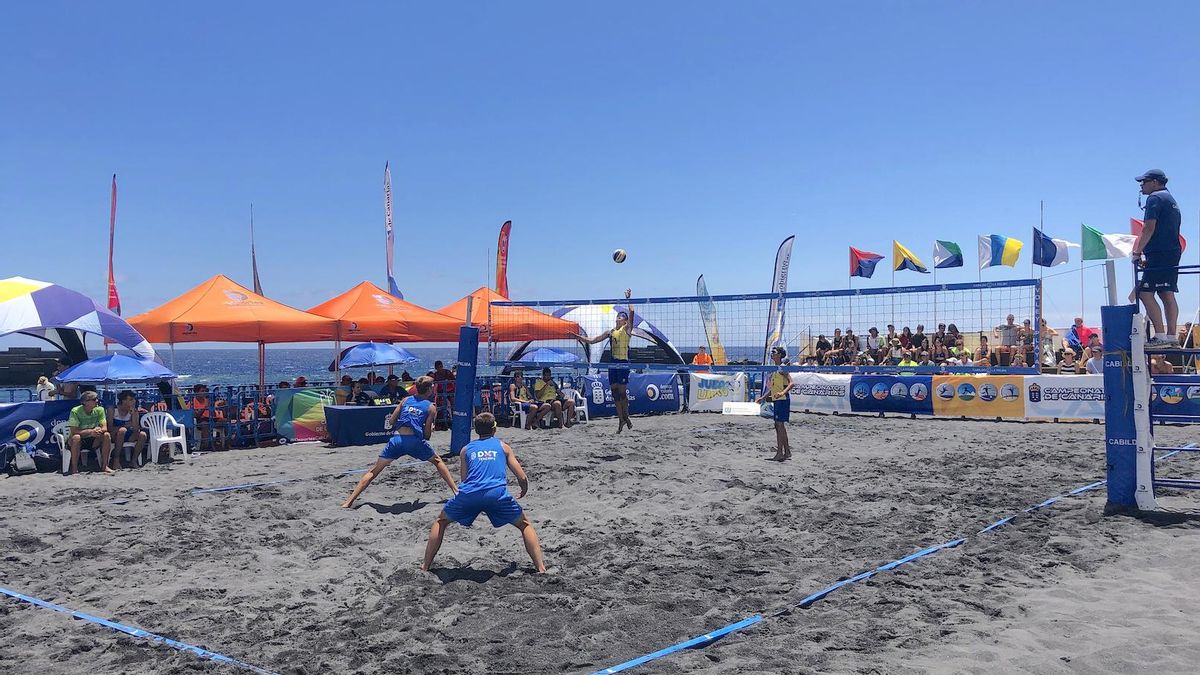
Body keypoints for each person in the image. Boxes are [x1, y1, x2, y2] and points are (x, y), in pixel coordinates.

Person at [421, 412, 546, 573]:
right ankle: (540, 568)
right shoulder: (503, 446)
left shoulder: (466, 450)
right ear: (494, 429)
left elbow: (464, 479)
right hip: (496, 494)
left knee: (441, 522)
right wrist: (524, 489)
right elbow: (521, 476)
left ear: (476, 430)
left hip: (470, 493)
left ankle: (425, 566)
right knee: (524, 525)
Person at [341, 376, 457, 509]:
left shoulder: (405, 400)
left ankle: (348, 502)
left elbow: (391, 421)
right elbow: (427, 435)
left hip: (397, 440)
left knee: (374, 471)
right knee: (437, 461)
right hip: (414, 441)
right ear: (429, 390)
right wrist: (428, 428)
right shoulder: (430, 407)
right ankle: (455, 491)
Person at [1132, 169, 1183, 345]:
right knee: (1166, 292)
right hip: (1171, 252)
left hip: (1160, 253)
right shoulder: (1170, 199)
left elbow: (1148, 227)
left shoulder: (1154, 199)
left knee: (1145, 293)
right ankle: (1171, 337)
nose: (1141, 185)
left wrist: (1138, 252)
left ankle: (1160, 335)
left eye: (1144, 182)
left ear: (1155, 182)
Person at [572, 289, 635, 432]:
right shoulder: (610, 331)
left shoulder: (627, 329)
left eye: (621, 317)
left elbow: (632, 312)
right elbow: (593, 340)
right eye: (618, 316)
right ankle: (621, 420)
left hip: (623, 363)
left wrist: (629, 299)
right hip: (613, 363)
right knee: (614, 393)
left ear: (624, 321)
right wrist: (579, 337)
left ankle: (626, 416)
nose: (618, 317)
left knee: (622, 393)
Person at [754, 346, 792, 462]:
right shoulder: (774, 369)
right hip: (777, 400)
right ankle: (787, 451)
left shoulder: (782, 368)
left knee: (779, 425)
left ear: (779, 355)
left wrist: (782, 393)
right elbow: (773, 388)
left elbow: (792, 383)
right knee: (778, 426)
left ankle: (780, 452)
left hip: (783, 399)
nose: (772, 354)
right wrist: (763, 397)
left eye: (774, 352)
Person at [67, 391, 112, 475]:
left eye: (97, 398)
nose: (97, 401)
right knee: (76, 437)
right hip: (80, 440)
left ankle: (105, 466)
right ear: (84, 402)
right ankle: (74, 469)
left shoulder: (100, 409)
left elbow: (105, 428)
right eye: (94, 399)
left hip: (94, 439)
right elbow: (74, 431)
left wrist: (98, 430)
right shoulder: (75, 411)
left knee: (107, 435)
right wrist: (91, 431)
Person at [107, 390, 148, 468]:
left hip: (128, 434)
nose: (134, 401)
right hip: (114, 434)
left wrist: (134, 415)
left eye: (134, 399)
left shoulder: (133, 411)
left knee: (143, 435)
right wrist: (125, 425)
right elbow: (110, 428)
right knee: (122, 431)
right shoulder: (112, 410)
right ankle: (116, 460)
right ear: (123, 400)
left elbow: (136, 429)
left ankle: (133, 460)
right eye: (131, 399)